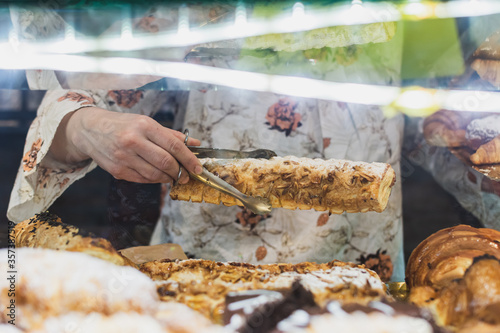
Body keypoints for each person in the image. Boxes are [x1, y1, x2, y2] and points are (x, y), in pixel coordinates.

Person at [7, 4, 405, 282]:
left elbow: (436, 128)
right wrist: (87, 127)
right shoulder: (199, 10)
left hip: (365, 269)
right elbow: (70, 105)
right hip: (206, 269)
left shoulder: (395, 12)